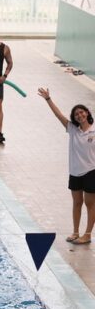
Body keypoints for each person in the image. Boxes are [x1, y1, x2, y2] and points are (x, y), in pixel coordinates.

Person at [38, 89, 95, 245]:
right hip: (75, 172)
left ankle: (88, 234)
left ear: (87, 113)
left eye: (82, 112)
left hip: (91, 172)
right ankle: (76, 232)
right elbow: (58, 115)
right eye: (76, 114)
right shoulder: (72, 129)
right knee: (77, 203)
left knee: (90, 204)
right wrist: (48, 98)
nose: (80, 115)